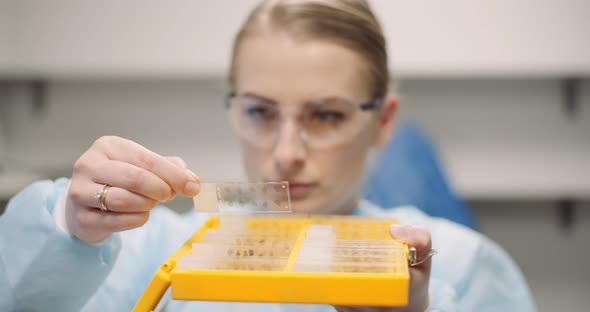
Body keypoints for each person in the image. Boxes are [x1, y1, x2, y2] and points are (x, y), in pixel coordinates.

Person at [0, 0, 536, 311]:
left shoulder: (464, 267)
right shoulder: (147, 250)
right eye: (260, 113)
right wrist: (68, 231)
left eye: (326, 115)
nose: (285, 154)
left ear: (384, 120)